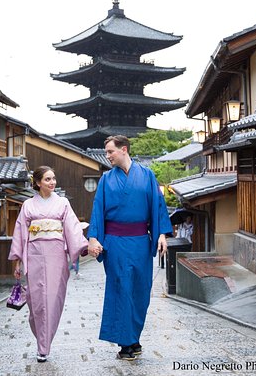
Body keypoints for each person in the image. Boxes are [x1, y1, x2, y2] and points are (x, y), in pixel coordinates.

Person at [87, 135, 173, 361]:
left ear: (123, 149)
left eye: (110, 152)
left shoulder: (147, 176)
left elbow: (158, 207)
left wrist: (162, 234)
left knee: (140, 291)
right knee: (120, 289)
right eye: (106, 152)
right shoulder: (106, 179)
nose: (107, 156)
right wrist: (94, 238)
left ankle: (134, 337)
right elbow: (98, 209)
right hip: (115, 243)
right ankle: (126, 343)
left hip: (140, 243)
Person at [8, 166, 88, 363]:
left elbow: (71, 227)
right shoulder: (27, 205)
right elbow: (20, 233)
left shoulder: (63, 203)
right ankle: (42, 342)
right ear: (37, 183)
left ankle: (43, 347)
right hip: (34, 254)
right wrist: (18, 261)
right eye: (47, 179)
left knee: (52, 298)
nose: (52, 182)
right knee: (36, 300)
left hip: (56, 255)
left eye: (53, 178)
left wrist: (82, 246)